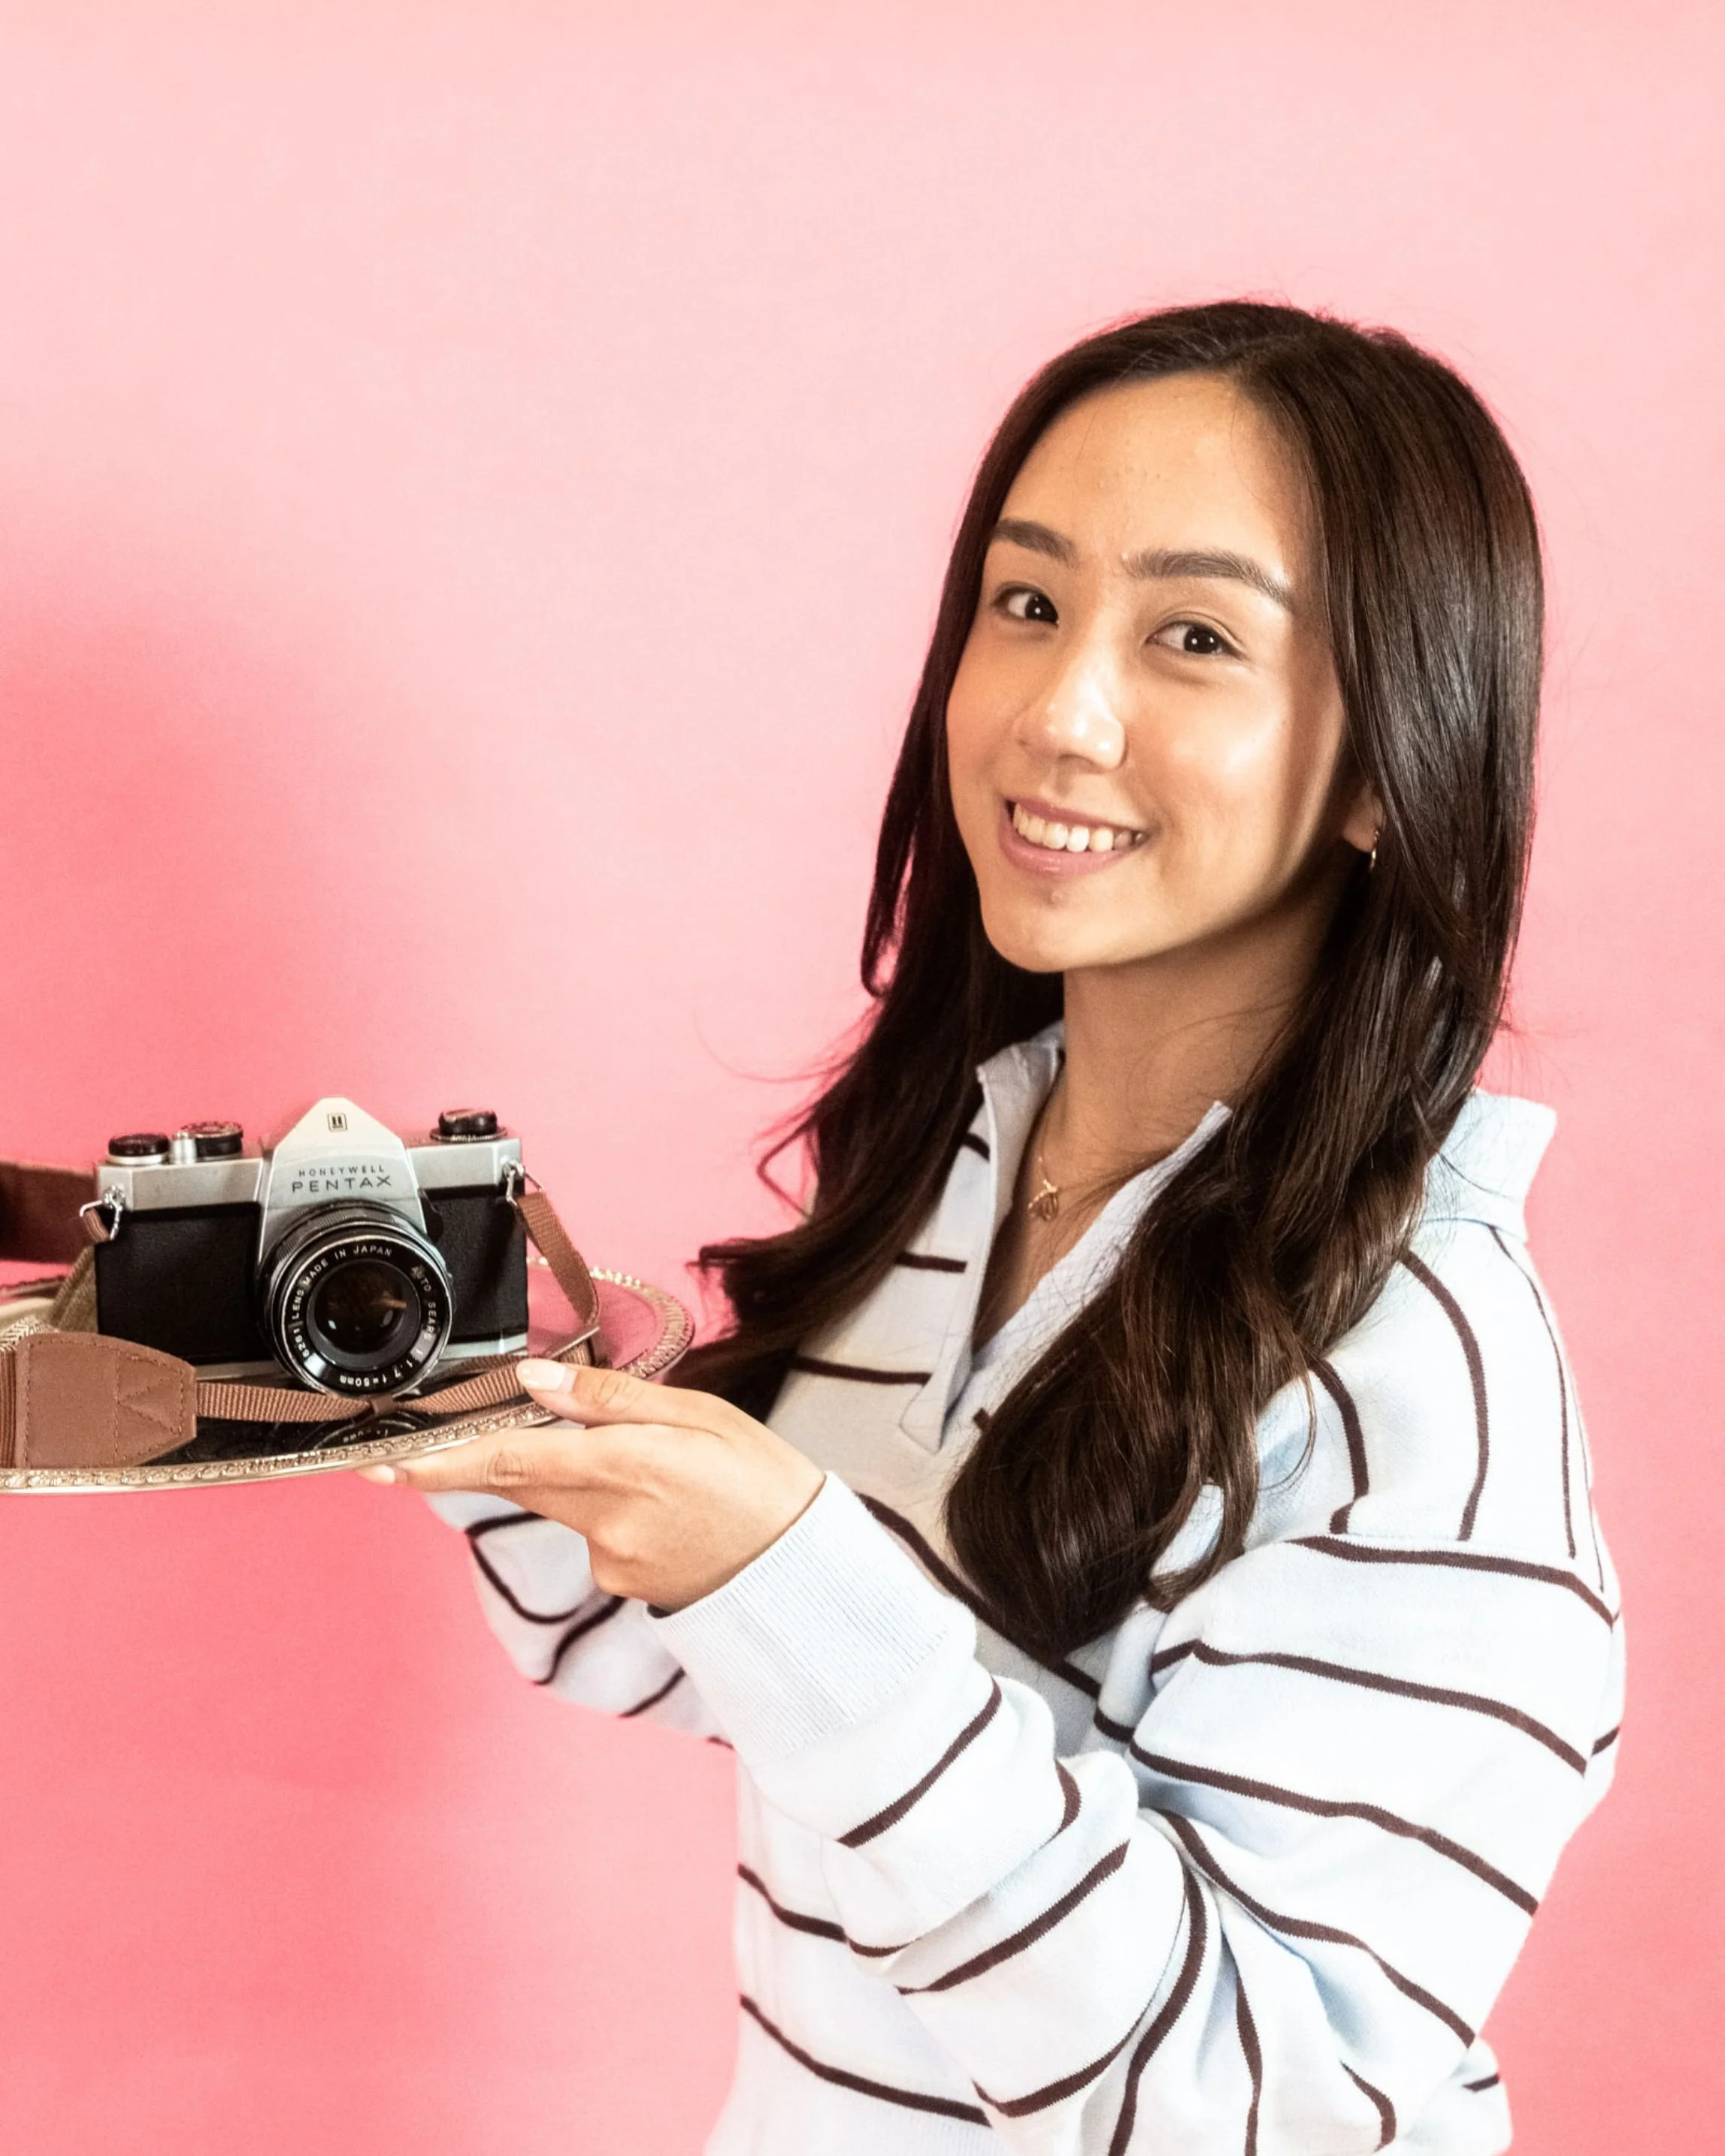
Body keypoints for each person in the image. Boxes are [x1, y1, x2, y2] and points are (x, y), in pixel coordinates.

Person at [362, 301, 1621, 2154]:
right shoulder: (977, 1166)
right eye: (1024, 606)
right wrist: (432, 1361)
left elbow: (1252, 2111)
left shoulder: (1413, 1375)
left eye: (1193, 637)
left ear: (1381, 766)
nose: (1057, 709)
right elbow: (690, 1657)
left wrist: (787, 1576)